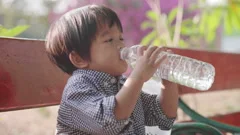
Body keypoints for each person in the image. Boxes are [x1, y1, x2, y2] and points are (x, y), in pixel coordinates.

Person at [45, 4, 179, 135]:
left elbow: (163, 115)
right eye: (109, 40)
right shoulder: (77, 90)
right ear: (79, 59)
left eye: (121, 38)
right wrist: (138, 77)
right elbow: (109, 121)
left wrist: (167, 78)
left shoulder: (121, 85)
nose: (121, 45)